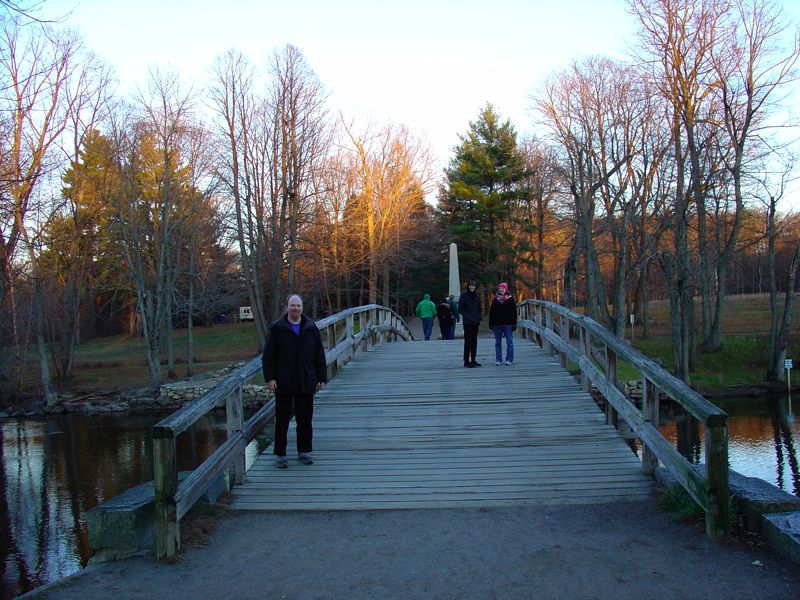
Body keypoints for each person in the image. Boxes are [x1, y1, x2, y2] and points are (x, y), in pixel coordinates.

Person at [261, 294, 327, 468]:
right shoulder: (277, 328)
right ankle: (281, 455)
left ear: (302, 308)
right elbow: (268, 356)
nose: (295, 308)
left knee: (305, 419)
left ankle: (304, 451)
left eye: (298, 305)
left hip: (306, 379)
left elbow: (319, 354)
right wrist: (270, 378)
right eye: (292, 305)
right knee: (282, 420)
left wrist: (321, 377)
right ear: (287, 307)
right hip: (284, 380)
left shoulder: (311, 328)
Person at [489, 282, 517, 365]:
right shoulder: (495, 299)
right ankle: (498, 359)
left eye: (503, 288)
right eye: (500, 288)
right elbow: (492, 312)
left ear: (506, 289)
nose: (501, 289)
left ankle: (509, 359)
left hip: (508, 324)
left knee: (509, 342)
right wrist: (491, 324)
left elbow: (514, 312)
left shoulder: (510, 299)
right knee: (497, 343)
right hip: (497, 324)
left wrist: (514, 324)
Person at [458, 280, 482, 367]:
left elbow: (479, 308)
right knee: (468, 341)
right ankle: (466, 361)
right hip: (467, 322)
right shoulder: (463, 296)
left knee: (474, 341)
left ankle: (473, 359)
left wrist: (479, 317)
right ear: (468, 286)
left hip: (475, 322)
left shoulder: (477, 296)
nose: (472, 287)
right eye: (470, 286)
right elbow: (460, 309)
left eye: (473, 285)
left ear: (475, 287)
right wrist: (467, 317)